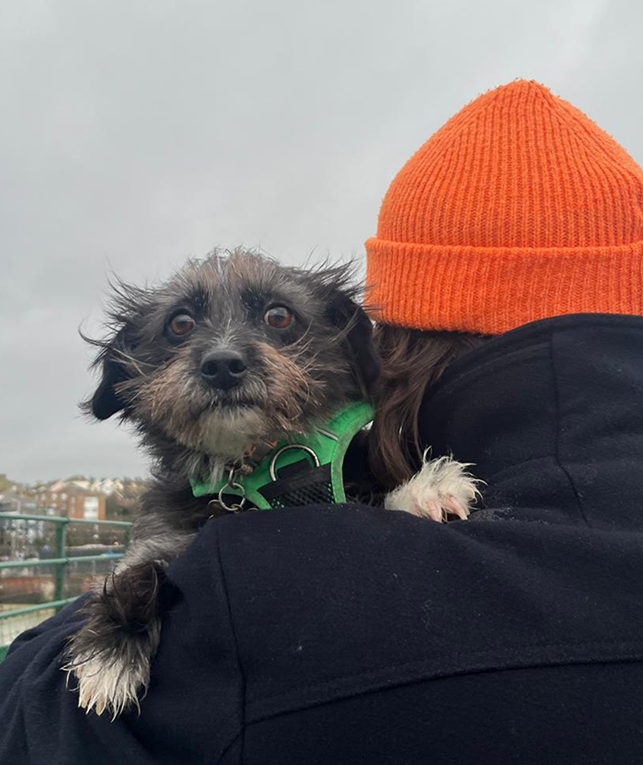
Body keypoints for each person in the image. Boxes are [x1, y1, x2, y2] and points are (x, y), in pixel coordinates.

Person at [2, 79, 643, 764]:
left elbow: (31, 706)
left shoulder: (254, 586)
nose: (223, 354)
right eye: (182, 326)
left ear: (376, 348)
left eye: (278, 319)